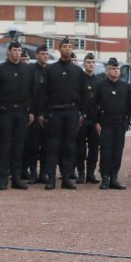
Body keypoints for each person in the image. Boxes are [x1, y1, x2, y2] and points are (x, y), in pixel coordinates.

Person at [37, 38, 88, 190]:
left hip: (72, 112)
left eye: (70, 47)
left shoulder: (78, 71)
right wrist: (42, 113)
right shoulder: (51, 70)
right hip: (55, 112)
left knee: (69, 146)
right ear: (59, 50)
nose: (67, 49)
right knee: (53, 146)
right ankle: (51, 178)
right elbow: (43, 93)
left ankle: (66, 177)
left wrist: (82, 113)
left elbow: (83, 94)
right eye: (64, 47)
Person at [0, 42, 35, 190]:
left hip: (21, 112)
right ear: (9, 52)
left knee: (19, 146)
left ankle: (16, 178)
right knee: (5, 145)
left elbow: (32, 92)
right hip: (5, 112)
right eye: (14, 50)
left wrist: (31, 111)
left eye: (19, 50)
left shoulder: (27, 69)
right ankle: (3, 178)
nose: (17, 53)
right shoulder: (1, 69)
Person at [91, 58, 131, 190]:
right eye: (112, 68)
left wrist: (127, 120)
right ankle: (105, 178)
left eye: (117, 69)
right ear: (107, 70)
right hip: (105, 123)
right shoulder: (100, 86)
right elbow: (93, 105)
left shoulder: (125, 87)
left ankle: (114, 177)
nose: (115, 71)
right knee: (106, 151)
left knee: (117, 151)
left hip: (120, 123)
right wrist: (96, 122)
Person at [23, 44, 49, 183]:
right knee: (32, 146)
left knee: (46, 146)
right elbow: (28, 93)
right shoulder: (30, 70)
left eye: (47, 54)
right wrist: (32, 112)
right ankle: (33, 172)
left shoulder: (51, 71)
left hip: (47, 115)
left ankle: (43, 173)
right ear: (37, 55)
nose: (45, 56)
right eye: (43, 54)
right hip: (33, 115)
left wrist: (45, 113)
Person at [75, 53, 101, 184]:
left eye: (92, 62)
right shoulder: (79, 80)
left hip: (94, 120)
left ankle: (91, 173)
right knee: (80, 148)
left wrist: (99, 120)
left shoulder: (99, 81)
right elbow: (76, 99)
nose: (91, 64)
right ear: (84, 64)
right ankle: (81, 173)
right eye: (88, 62)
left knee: (94, 148)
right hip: (82, 120)